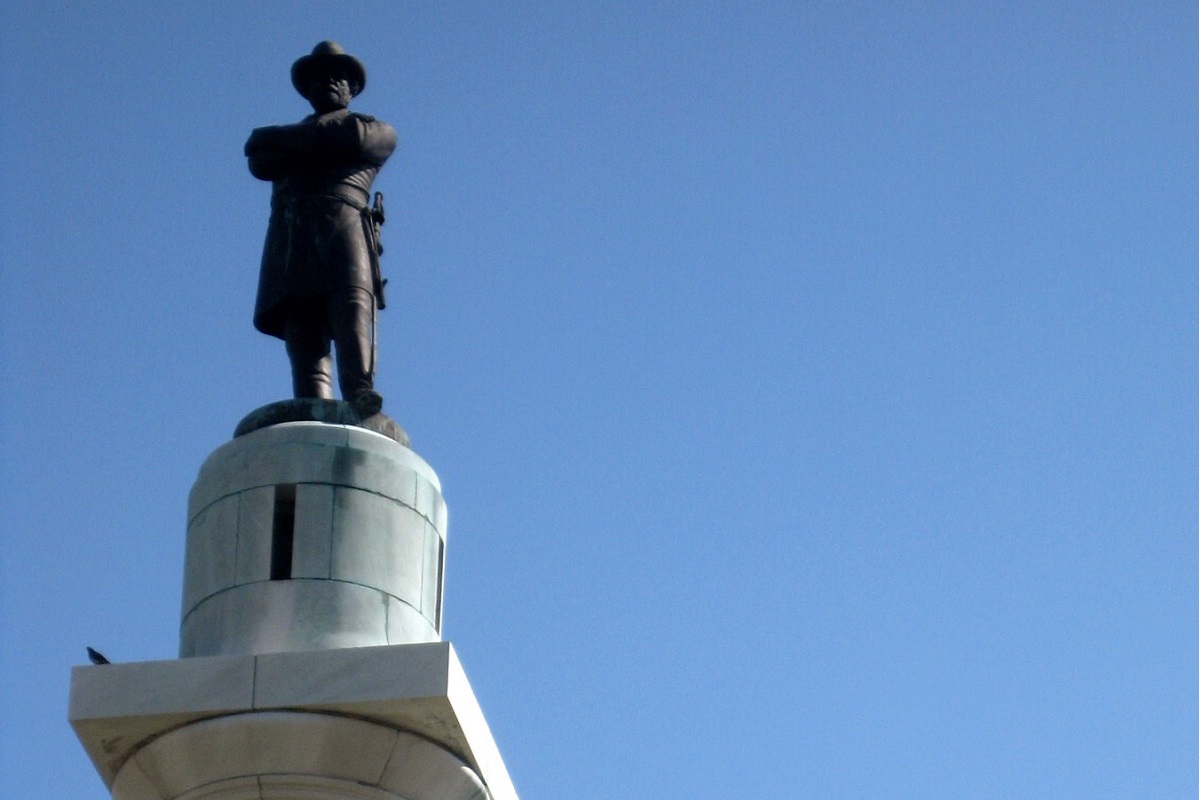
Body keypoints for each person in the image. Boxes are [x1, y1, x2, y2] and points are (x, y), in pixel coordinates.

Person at [245, 41, 397, 415]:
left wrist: (286, 141)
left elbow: (355, 139)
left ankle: (360, 392)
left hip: (345, 233)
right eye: (318, 78)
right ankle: (313, 403)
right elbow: (258, 158)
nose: (327, 82)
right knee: (302, 328)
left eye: (337, 76)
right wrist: (310, 142)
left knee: (350, 311)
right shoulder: (282, 141)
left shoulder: (375, 130)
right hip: (291, 241)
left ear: (351, 89)